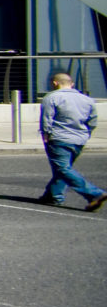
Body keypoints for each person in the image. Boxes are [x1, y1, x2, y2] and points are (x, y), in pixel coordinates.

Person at [36, 71, 103, 210]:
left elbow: (47, 118)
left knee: (63, 169)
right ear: (72, 84)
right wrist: (86, 133)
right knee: (63, 169)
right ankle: (53, 196)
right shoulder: (87, 99)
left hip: (59, 137)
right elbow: (93, 120)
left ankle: (95, 194)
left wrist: (46, 134)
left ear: (55, 83)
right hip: (80, 139)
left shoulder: (52, 97)